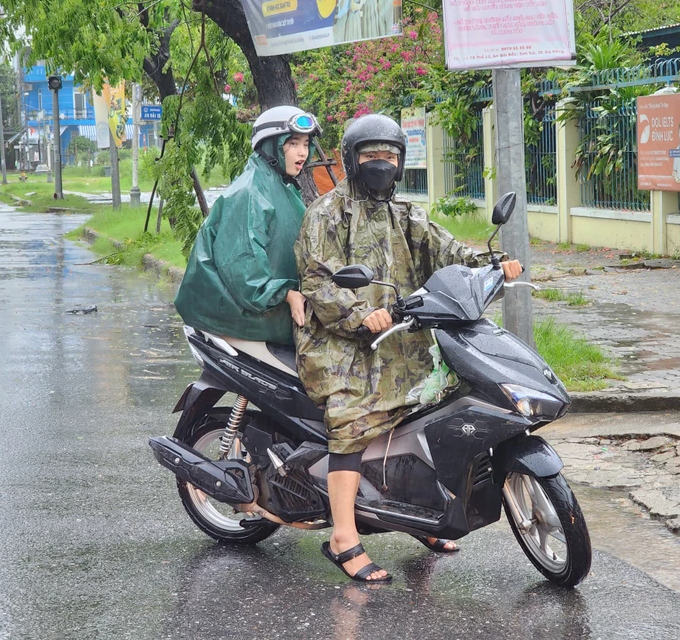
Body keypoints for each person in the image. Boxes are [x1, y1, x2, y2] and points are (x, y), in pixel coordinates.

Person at [295, 115, 523, 583]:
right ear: (352, 160)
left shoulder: (407, 214)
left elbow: (448, 251)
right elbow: (317, 280)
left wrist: (492, 267)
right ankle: (342, 535)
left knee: (437, 409)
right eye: (371, 155)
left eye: (390, 156)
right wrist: (360, 313)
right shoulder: (327, 213)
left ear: (401, 163)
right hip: (341, 342)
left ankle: (418, 515)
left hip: (403, 334)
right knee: (352, 421)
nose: (381, 163)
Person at [174, 106, 320, 345]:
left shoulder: (279, 184)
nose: (302, 152)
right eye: (293, 143)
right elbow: (244, 268)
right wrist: (286, 294)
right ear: (271, 146)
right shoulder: (251, 192)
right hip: (248, 316)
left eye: (306, 144)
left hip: (271, 308)